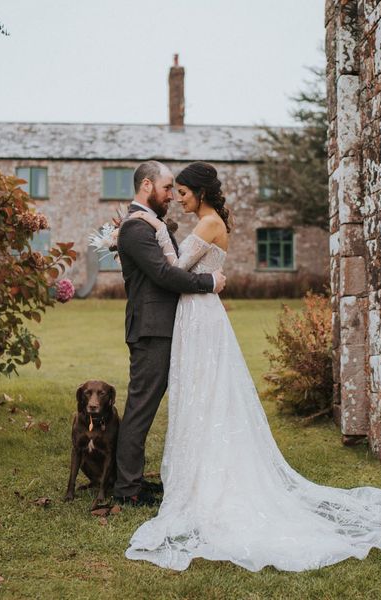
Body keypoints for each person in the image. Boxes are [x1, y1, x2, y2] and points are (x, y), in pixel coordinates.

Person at [123, 161, 381, 572]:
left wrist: (156, 231)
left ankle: (207, 481)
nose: (178, 198)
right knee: (202, 394)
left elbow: (171, 270)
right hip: (198, 314)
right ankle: (194, 477)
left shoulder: (207, 224)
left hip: (199, 314)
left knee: (204, 393)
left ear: (201, 194)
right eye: (174, 191)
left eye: (184, 192)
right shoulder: (208, 222)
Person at [113, 161, 226, 507]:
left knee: (157, 404)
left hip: (167, 325)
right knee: (141, 407)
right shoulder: (135, 228)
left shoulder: (152, 224)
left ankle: (137, 480)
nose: (171, 196)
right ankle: (128, 489)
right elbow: (164, 273)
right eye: (166, 188)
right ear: (147, 186)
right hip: (152, 329)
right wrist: (208, 282)